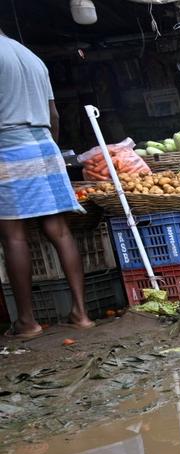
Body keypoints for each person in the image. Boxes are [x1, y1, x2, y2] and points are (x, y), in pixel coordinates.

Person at [0, 29, 94, 338]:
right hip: (45, 148)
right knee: (59, 229)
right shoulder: (31, 57)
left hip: (9, 149)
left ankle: (27, 322)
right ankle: (81, 313)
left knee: (13, 235)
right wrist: (49, 151)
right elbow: (54, 113)